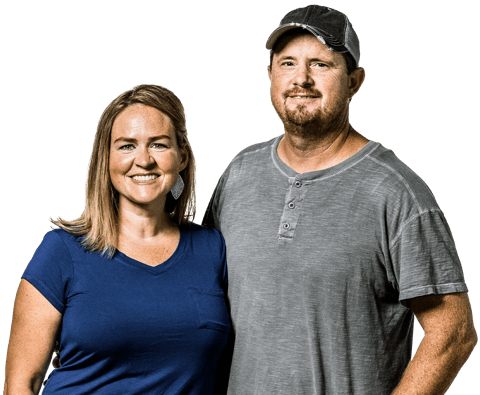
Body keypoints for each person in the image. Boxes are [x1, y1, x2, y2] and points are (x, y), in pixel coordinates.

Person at [202, 5, 477, 395]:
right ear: (270, 74)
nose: (301, 78)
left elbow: (453, 333)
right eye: (287, 63)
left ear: (354, 81)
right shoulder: (239, 172)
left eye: (321, 64)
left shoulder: (396, 192)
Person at [4, 84, 230, 395]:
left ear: (182, 158)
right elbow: (21, 384)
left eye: (159, 145)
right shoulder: (62, 250)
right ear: (106, 159)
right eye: (126, 146)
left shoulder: (212, 248)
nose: (144, 160)